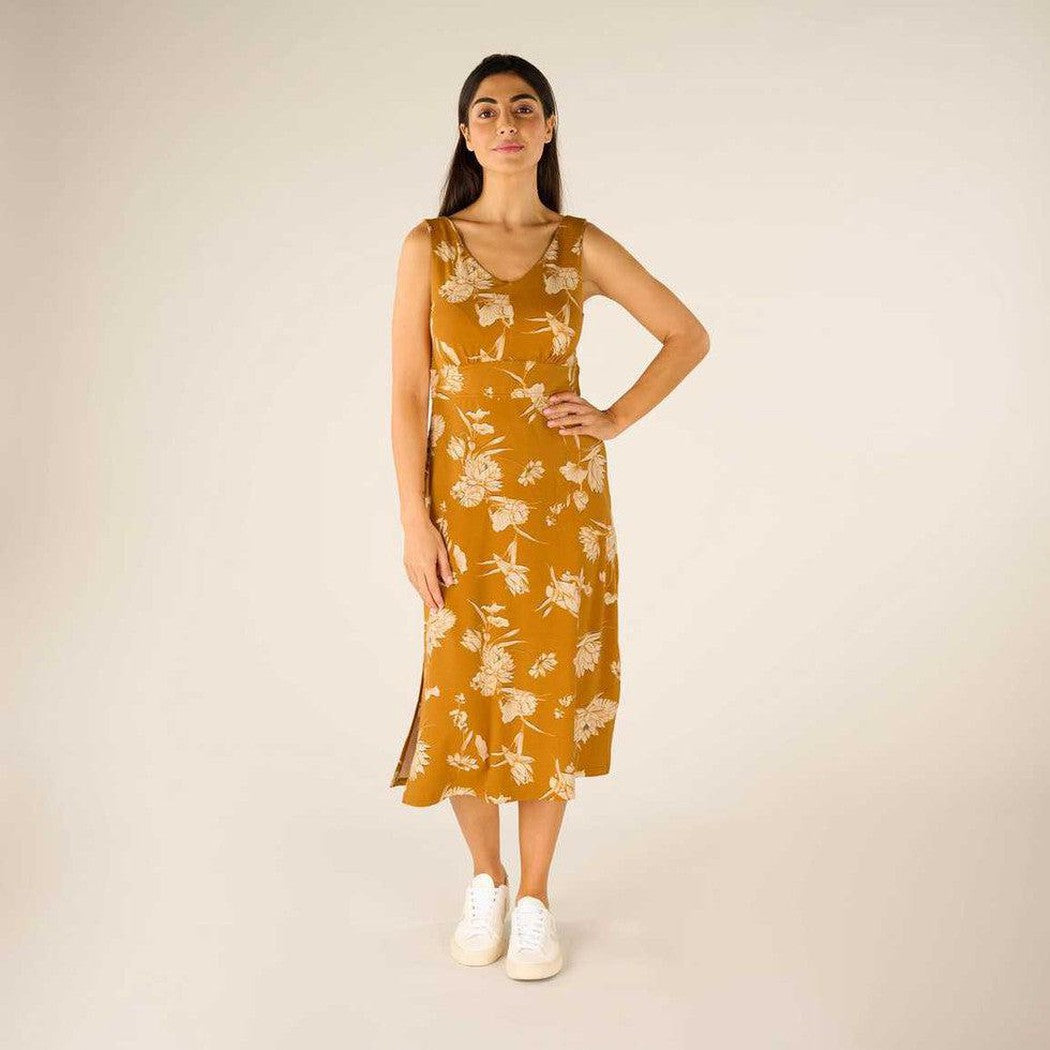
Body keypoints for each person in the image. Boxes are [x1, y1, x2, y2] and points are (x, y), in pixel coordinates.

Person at [388, 53, 710, 980]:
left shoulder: (579, 245)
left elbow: (686, 334)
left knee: (547, 693)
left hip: (562, 511)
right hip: (461, 511)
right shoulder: (429, 245)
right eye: (488, 110)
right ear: (466, 133)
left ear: (548, 128)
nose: (507, 123)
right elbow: (408, 390)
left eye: (524, 108)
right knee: (462, 689)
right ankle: (484, 879)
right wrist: (414, 520)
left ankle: (534, 896)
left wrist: (612, 417)